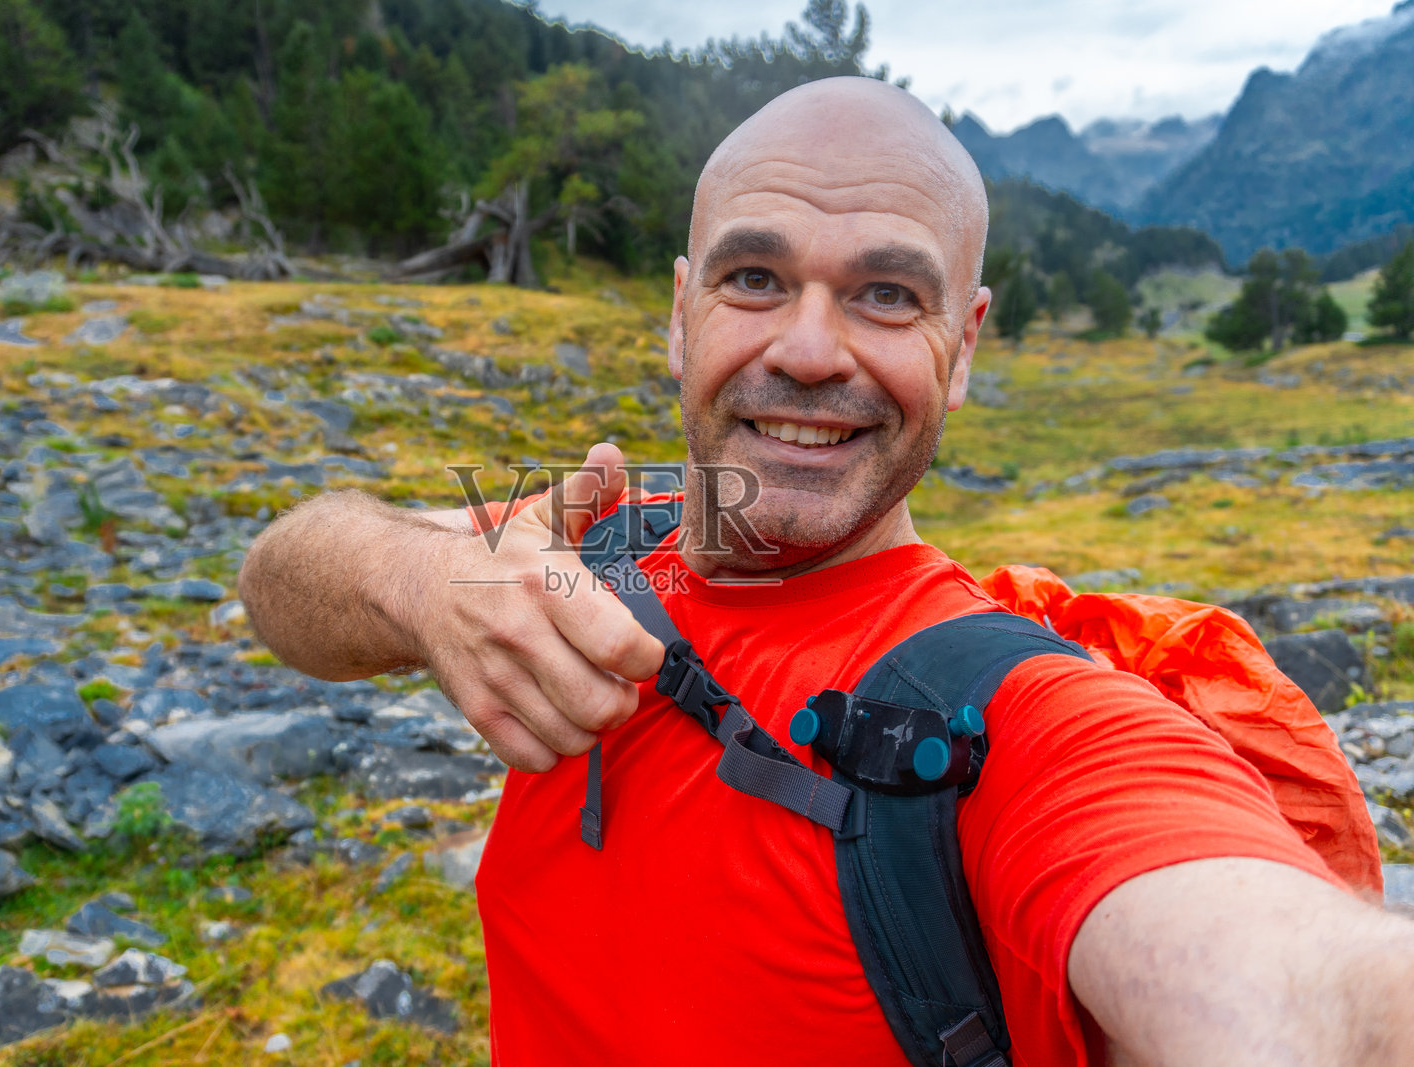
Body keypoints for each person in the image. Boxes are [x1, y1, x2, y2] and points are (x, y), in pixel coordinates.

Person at [238, 77, 1414, 1065]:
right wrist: (420, 578)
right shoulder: (603, 530)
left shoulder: (1023, 719)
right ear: (680, 315)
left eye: (885, 295)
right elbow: (281, 576)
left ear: (963, 345)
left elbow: (1301, 990)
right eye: (754, 277)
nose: (807, 351)